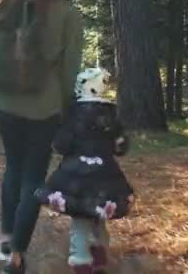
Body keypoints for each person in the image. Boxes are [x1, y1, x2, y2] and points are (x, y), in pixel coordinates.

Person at [0, 0, 83, 274]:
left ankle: (9, 247)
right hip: (43, 107)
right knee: (34, 179)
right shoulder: (68, 13)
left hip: (4, 102)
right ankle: (17, 254)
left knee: (12, 171)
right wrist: (68, 108)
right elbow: (69, 70)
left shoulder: (10, 1)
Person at [34, 68, 135, 274]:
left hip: (76, 178)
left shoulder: (72, 115)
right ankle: (100, 259)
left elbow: (61, 145)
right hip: (106, 177)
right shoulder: (111, 117)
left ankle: (82, 263)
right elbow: (121, 147)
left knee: (81, 220)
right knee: (100, 217)